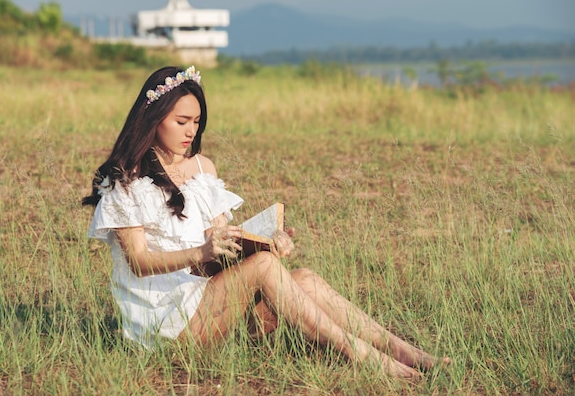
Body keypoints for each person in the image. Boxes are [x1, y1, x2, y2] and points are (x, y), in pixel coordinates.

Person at [82, 66, 450, 378]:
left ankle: (407, 353)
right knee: (262, 269)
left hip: (210, 304)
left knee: (303, 278)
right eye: (181, 121)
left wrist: (266, 240)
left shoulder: (201, 168)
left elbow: (221, 242)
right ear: (153, 118)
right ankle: (362, 356)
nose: (190, 131)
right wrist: (200, 252)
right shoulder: (124, 180)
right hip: (166, 324)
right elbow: (137, 262)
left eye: (196, 122)